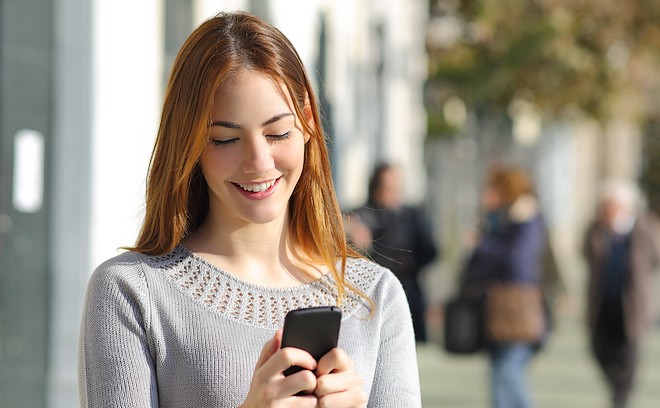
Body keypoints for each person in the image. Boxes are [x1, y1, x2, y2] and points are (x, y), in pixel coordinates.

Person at [78, 12, 420, 407]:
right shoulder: (131, 292)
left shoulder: (374, 296)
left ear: (307, 124)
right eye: (225, 139)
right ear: (189, 145)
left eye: (277, 133)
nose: (258, 162)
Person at [461, 166, 547, 408]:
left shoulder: (523, 218)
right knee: (505, 370)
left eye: (492, 189)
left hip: (514, 307)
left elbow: (515, 260)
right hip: (502, 307)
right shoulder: (504, 219)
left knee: (506, 370)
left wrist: (482, 246)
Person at [582, 179, 660, 408]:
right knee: (599, 349)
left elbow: (659, 256)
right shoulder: (596, 229)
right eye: (603, 206)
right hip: (603, 300)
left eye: (611, 206)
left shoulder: (642, 226)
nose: (606, 211)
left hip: (632, 302)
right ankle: (617, 388)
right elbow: (586, 253)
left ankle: (622, 397)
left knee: (628, 352)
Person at [346, 163, 438, 342]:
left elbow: (431, 251)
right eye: (389, 188)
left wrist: (409, 264)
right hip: (371, 300)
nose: (394, 193)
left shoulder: (412, 217)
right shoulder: (362, 215)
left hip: (409, 294)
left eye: (398, 188)